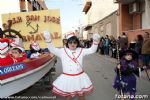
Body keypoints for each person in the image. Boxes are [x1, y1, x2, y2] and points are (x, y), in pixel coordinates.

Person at [43, 31, 100, 100]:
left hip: (80, 78)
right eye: (70, 42)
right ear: (67, 43)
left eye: (75, 42)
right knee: (68, 97)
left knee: (81, 96)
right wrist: (48, 40)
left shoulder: (81, 50)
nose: (72, 44)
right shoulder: (62, 51)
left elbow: (92, 50)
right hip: (68, 78)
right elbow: (52, 49)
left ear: (77, 43)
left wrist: (95, 42)